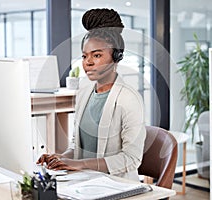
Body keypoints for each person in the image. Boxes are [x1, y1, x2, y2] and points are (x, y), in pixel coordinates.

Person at [37, 8, 146, 181]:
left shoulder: (129, 99)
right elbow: (77, 145)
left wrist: (80, 164)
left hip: (117, 185)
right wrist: (62, 158)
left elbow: (131, 159)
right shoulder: (84, 91)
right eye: (84, 56)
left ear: (116, 57)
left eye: (97, 55)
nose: (88, 62)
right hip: (85, 182)